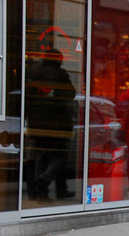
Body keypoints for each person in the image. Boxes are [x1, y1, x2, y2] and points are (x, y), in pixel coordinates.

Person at [25, 50, 76, 200]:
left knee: (42, 155)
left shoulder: (34, 73)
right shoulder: (60, 75)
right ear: (58, 60)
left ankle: (42, 192)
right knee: (61, 154)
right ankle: (44, 180)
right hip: (56, 123)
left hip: (36, 123)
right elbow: (70, 94)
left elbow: (27, 98)